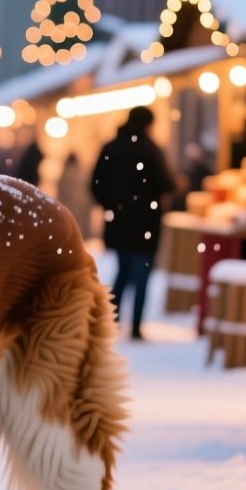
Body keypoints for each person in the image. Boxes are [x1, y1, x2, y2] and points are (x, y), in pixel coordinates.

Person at [91, 107, 176, 341]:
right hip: (145, 224)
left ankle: (112, 319)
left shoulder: (111, 148)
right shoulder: (150, 150)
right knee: (141, 275)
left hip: (119, 223)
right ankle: (136, 325)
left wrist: (113, 206)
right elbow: (167, 183)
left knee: (123, 270)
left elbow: (96, 184)